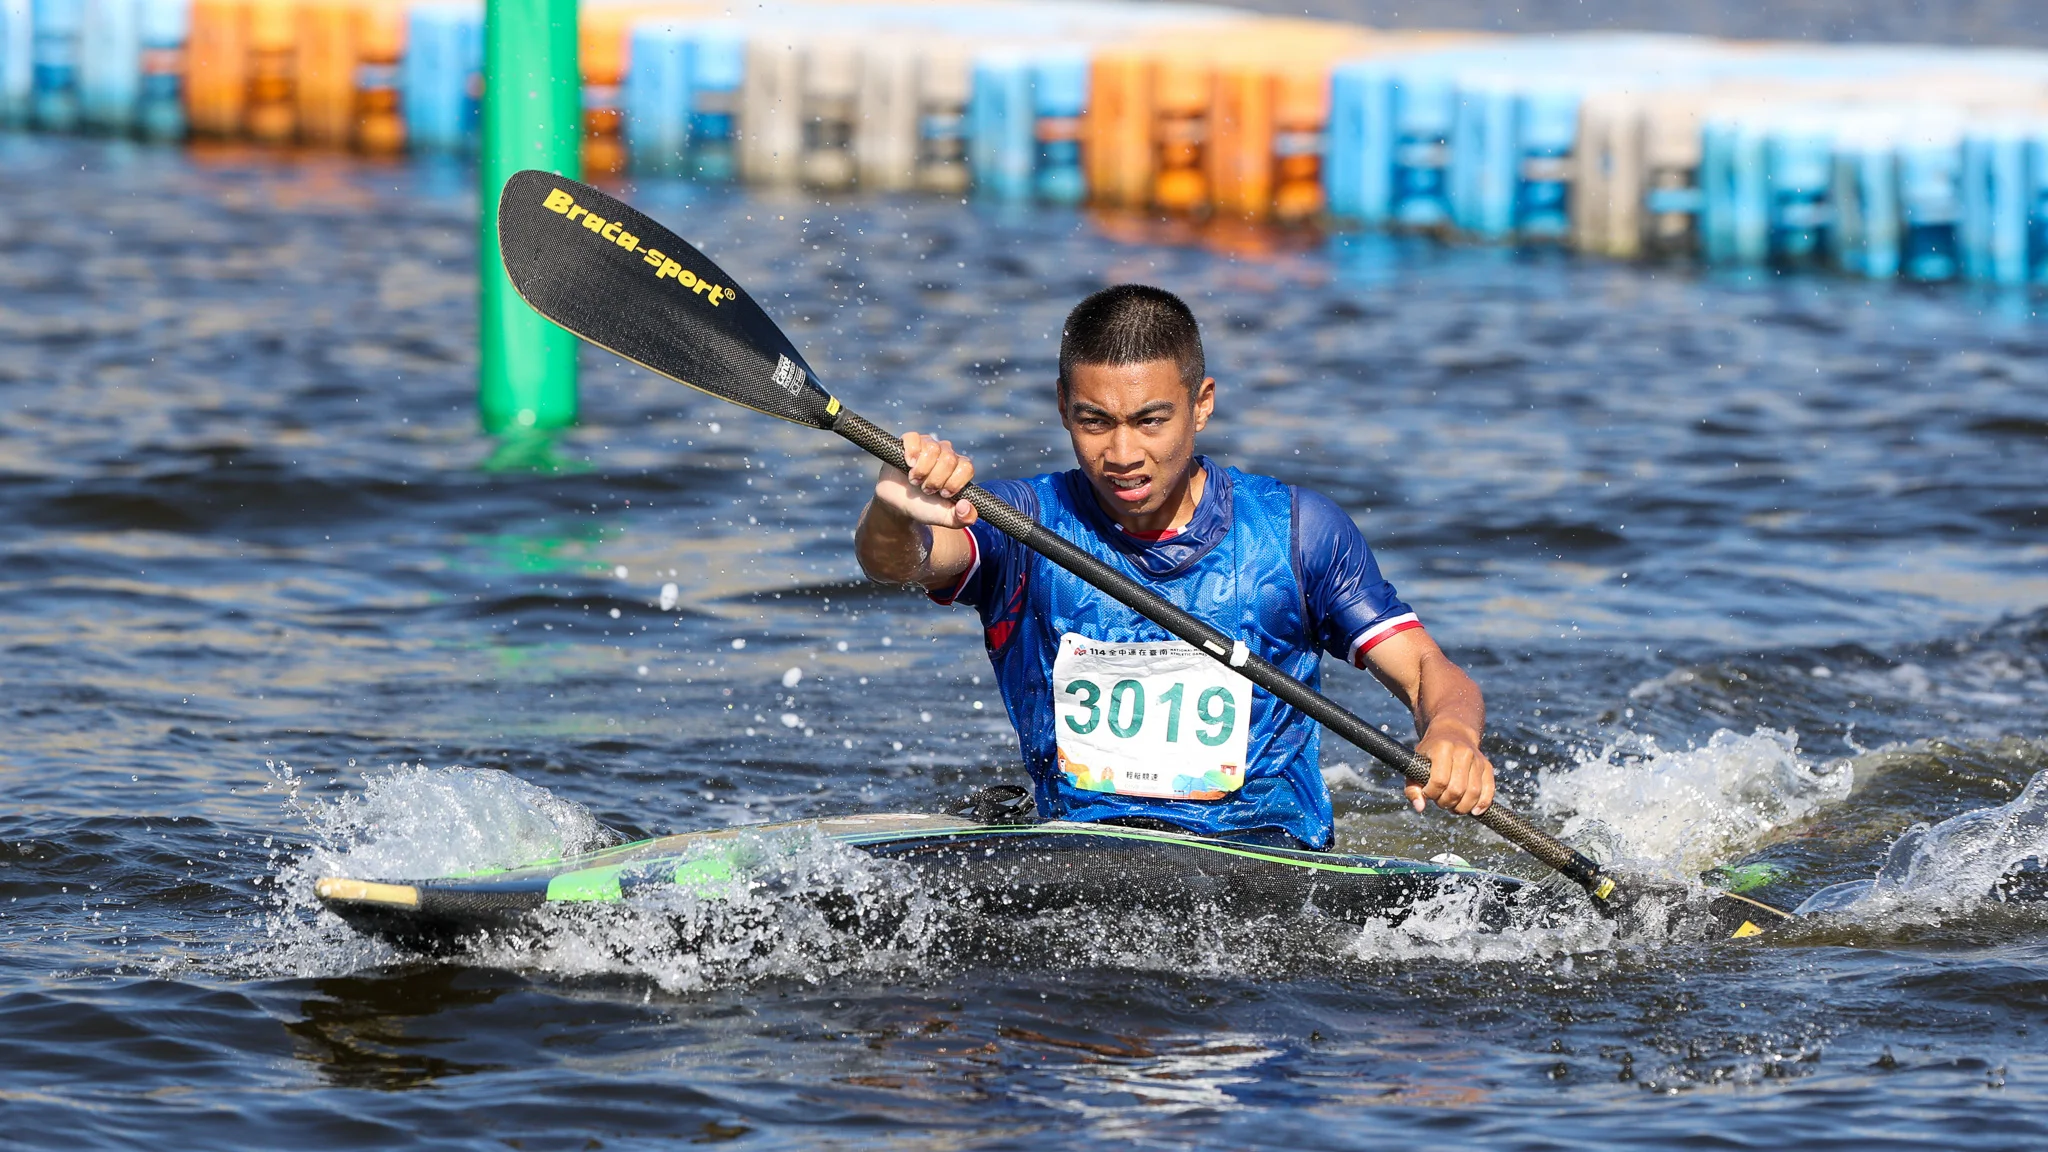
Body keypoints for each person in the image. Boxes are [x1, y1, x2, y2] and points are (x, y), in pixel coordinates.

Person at [854, 284, 1495, 851]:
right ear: (1062, 408)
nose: (1123, 453)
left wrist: (1454, 735)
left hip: (1268, 859)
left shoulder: (1299, 532)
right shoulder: (1020, 525)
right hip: (1079, 853)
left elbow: (1426, 672)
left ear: (1202, 404)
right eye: (1094, 422)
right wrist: (894, 511)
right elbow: (901, 562)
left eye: (1150, 420)